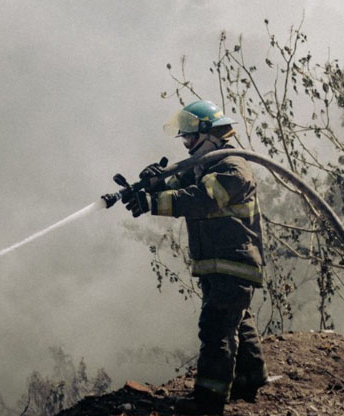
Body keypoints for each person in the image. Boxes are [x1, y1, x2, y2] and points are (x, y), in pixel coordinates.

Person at [122, 100, 268, 415]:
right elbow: (177, 184)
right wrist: (155, 181)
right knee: (237, 322)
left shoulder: (231, 168)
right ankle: (251, 381)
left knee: (216, 328)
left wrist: (152, 202)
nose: (187, 145)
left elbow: (199, 200)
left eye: (189, 138)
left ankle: (208, 402)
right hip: (222, 264)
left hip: (233, 262)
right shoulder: (206, 166)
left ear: (208, 134)